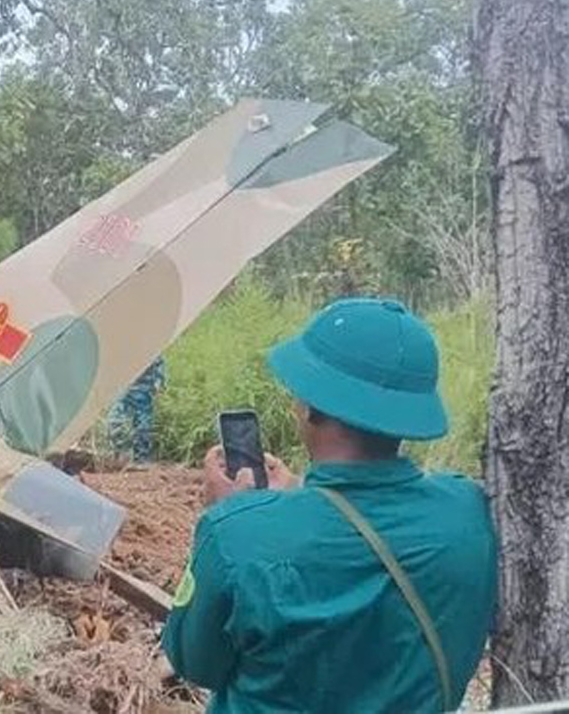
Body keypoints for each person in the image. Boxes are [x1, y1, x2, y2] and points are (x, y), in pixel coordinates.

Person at [160, 297, 497, 713]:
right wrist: (299, 496)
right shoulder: (473, 512)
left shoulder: (234, 535)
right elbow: (373, 519)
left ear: (310, 406)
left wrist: (233, 514)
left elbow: (196, 662)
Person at [109, 355, 165, 463]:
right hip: (123, 389)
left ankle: (141, 459)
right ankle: (120, 454)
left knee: (142, 427)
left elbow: (158, 364)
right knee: (115, 421)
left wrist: (158, 383)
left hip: (143, 389)